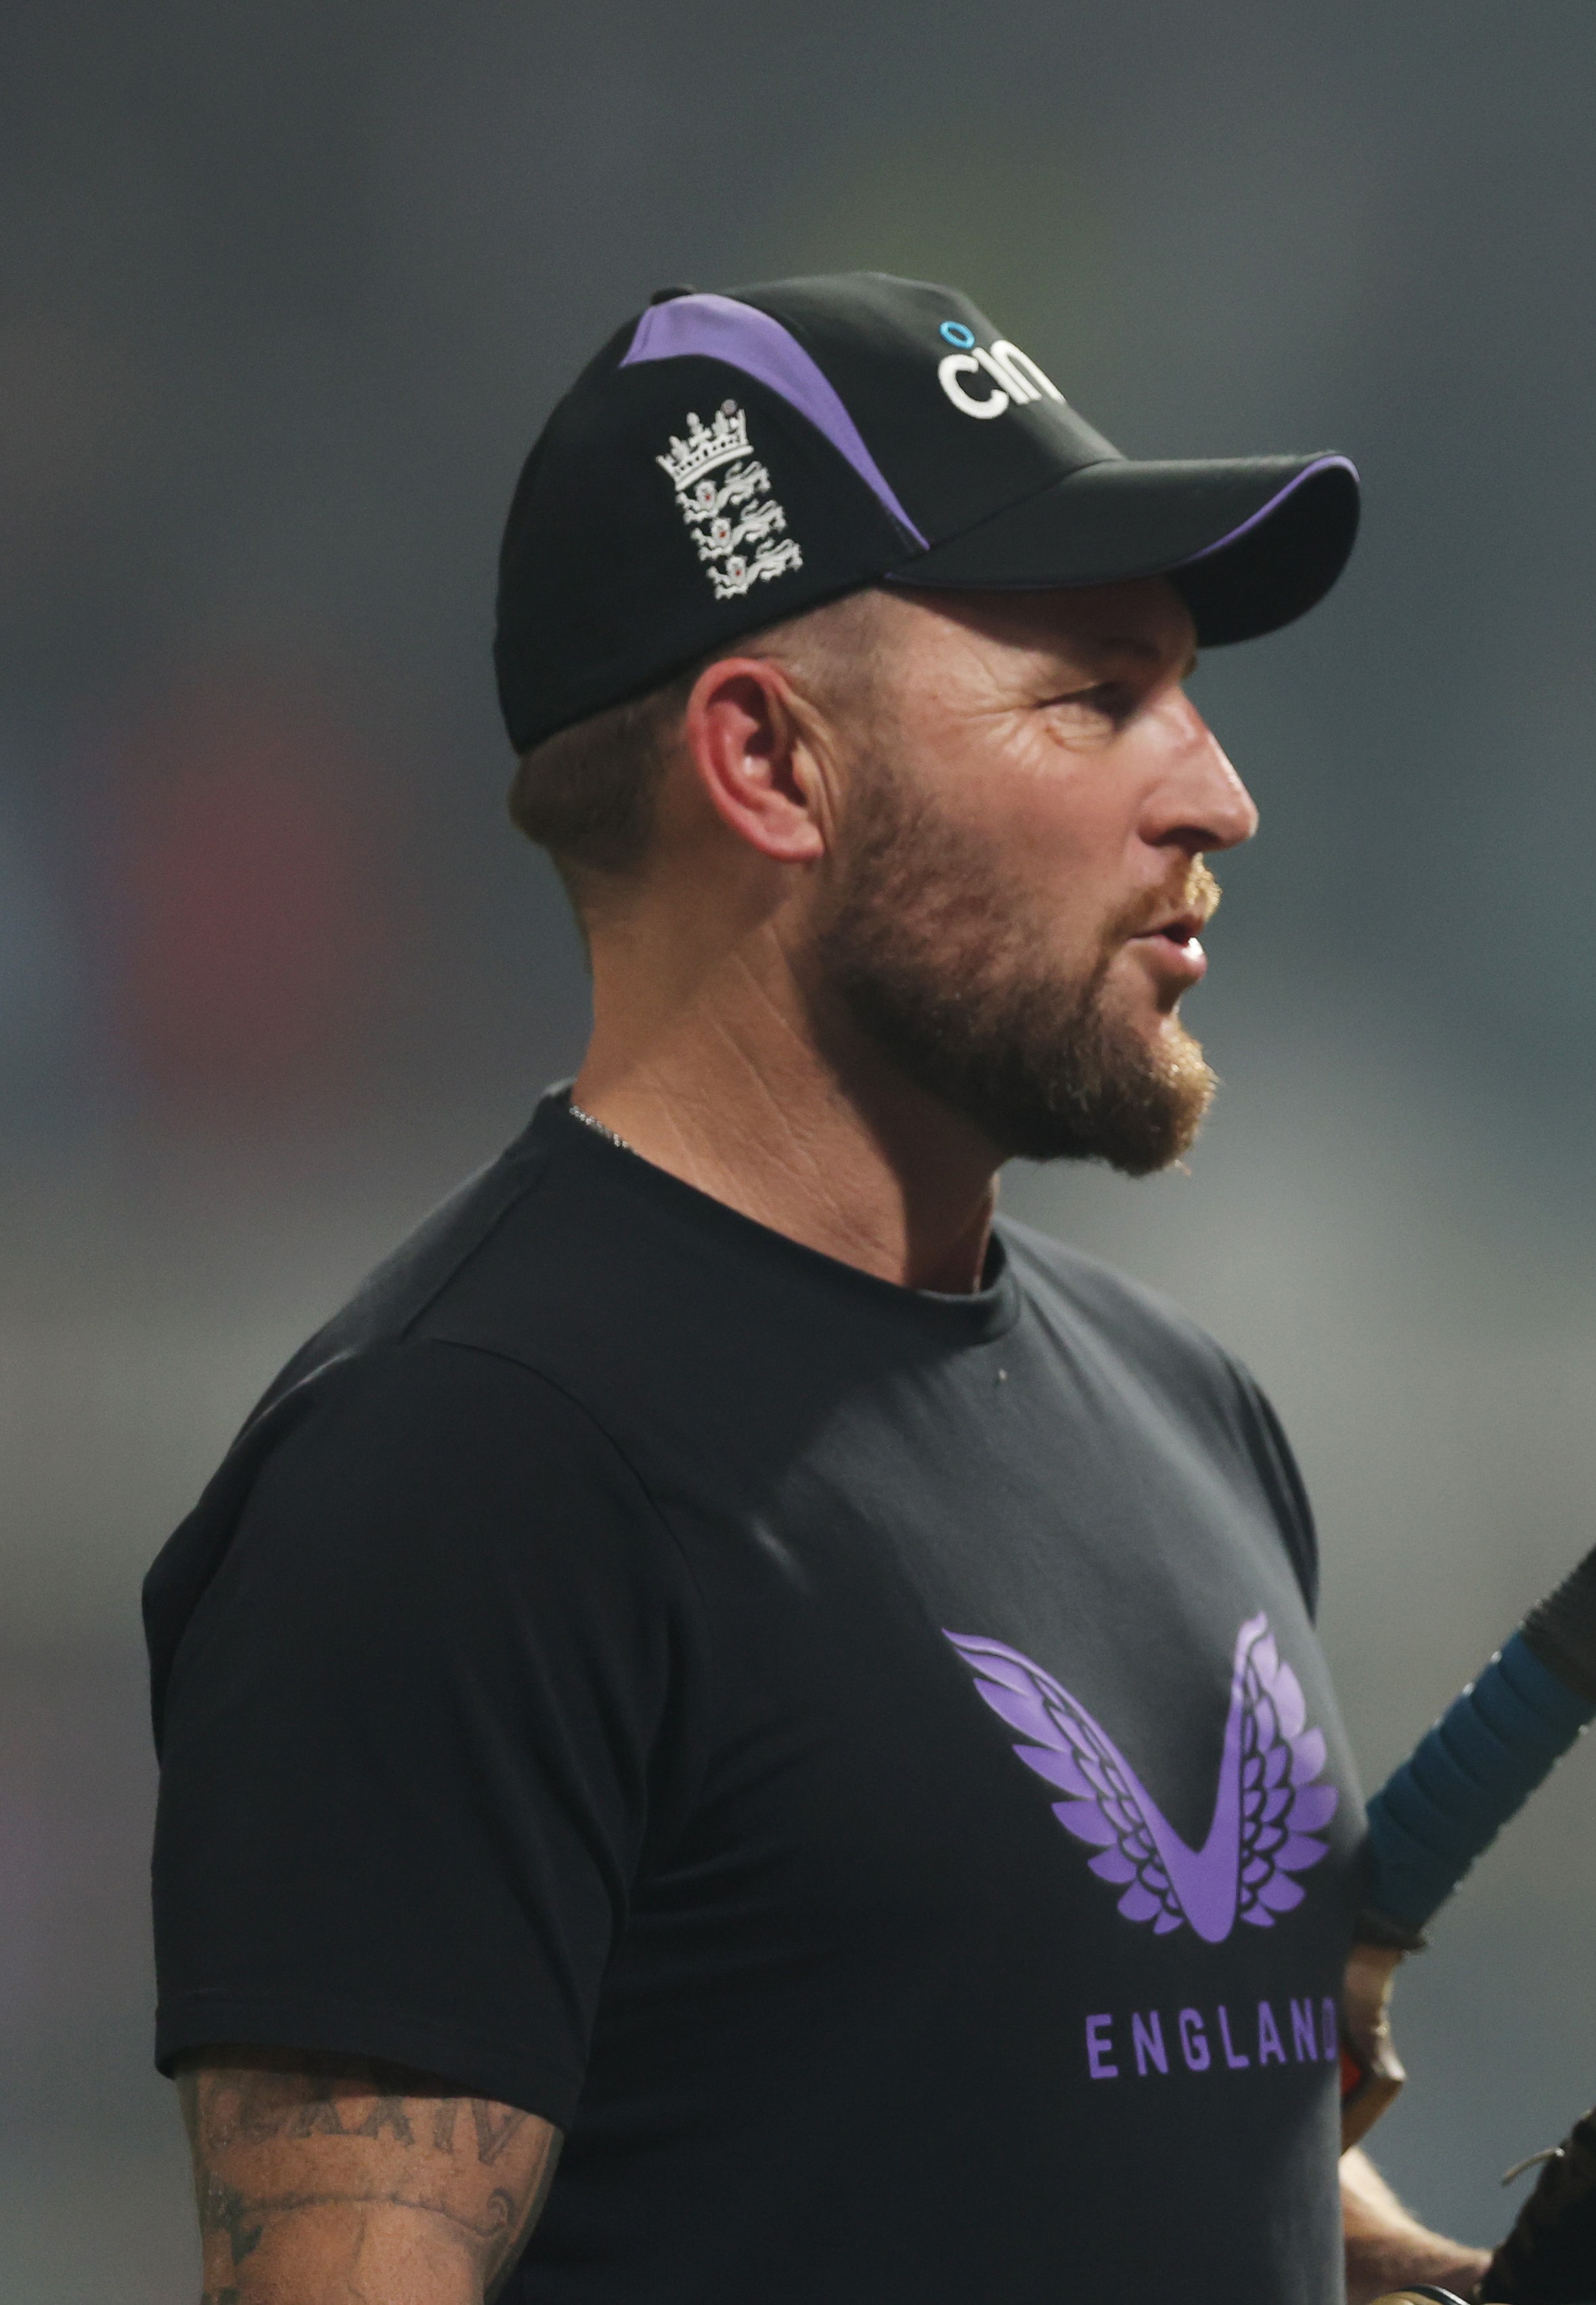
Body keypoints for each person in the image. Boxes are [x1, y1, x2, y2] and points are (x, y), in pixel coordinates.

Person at [143, 272, 1489, 2304]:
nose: (1217, 796)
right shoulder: (462, 1474)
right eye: (1095, 694)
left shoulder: (1187, 1406)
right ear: (768, 762)